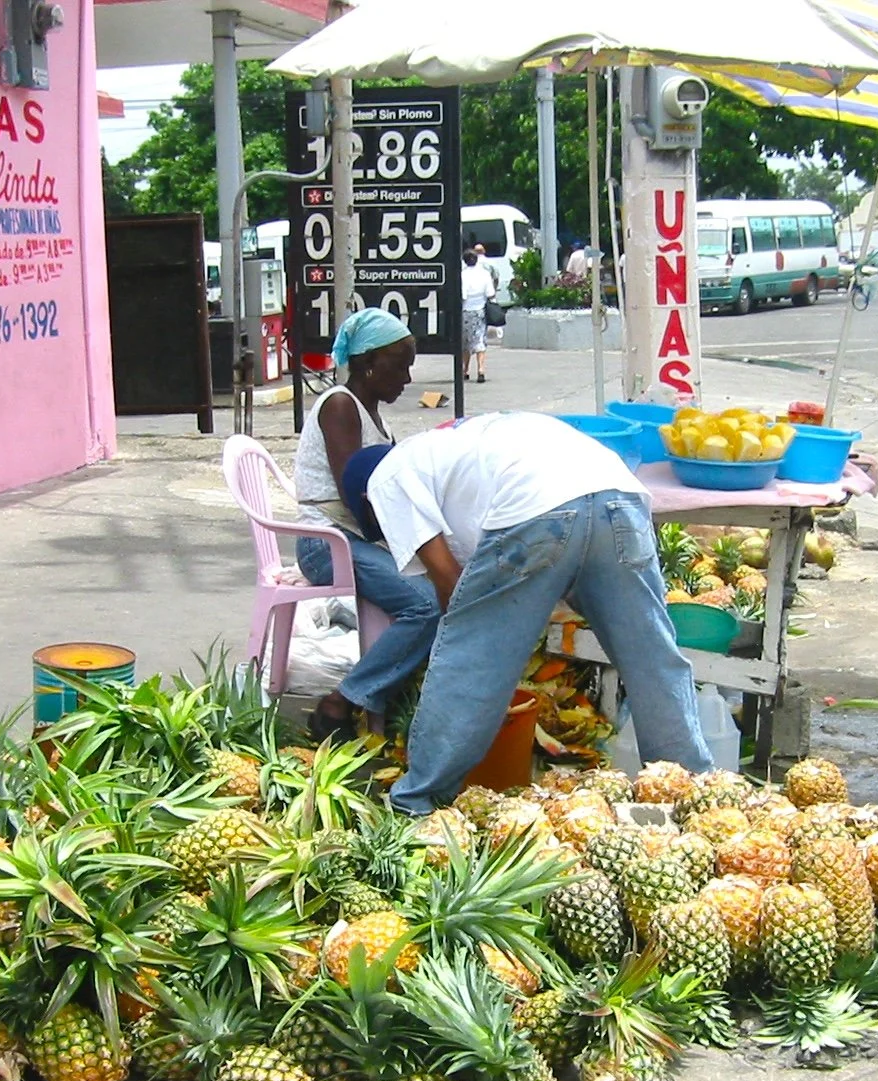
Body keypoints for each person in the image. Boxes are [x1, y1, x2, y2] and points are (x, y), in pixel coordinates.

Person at [339, 412, 713, 817]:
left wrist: (467, 662)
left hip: (538, 507)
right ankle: (691, 794)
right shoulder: (455, 443)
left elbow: (449, 586)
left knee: (470, 663)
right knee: (653, 659)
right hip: (617, 492)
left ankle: (415, 803)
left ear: (365, 502)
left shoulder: (384, 479)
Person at [292, 308, 440, 741]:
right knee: (426, 604)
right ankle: (345, 700)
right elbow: (356, 495)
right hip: (328, 544)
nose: (407, 380)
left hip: (353, 540)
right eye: (400, 367)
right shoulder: (341, 406)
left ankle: (383, 698)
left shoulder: (372, 413)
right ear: (368, 363)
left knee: (439, 583)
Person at [460, 249, 496, 384]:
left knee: (466, 342)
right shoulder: (485, 274)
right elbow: (490, 293)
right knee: (480, 339)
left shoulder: (462, 275)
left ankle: (465, 370)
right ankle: (481, 369)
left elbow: (462, 296)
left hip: (465, 311)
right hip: (480, 310)